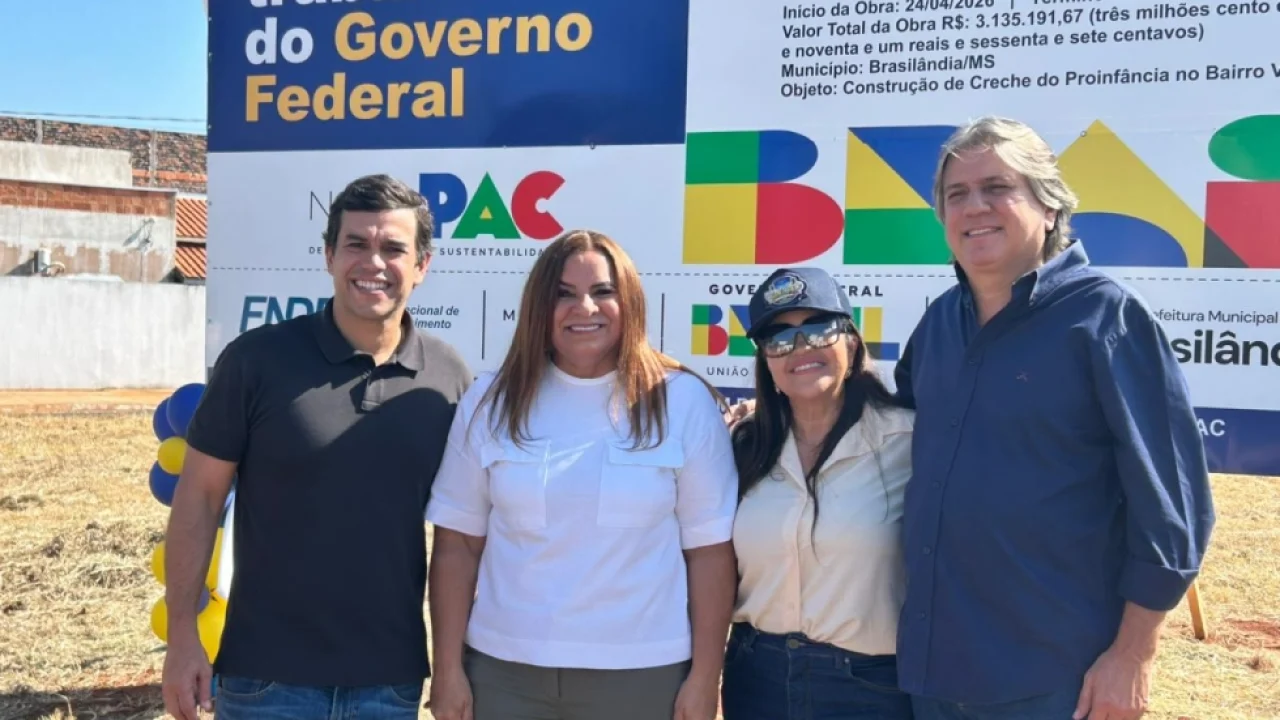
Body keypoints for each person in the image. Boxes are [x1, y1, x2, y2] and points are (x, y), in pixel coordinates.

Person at [892, 116, 1216, 720]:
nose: (974, 207)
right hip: (933, 669)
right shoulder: (938, 323)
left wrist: (1133, 654)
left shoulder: (1105, 318)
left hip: (1054, 677)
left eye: (997, 187)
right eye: (957, 194)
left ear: (1048, 206)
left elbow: (1172, 508)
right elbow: (890, 429)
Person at [160, 174, 473, 719]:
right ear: (329, 255)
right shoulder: (257, 361)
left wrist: (450, 667)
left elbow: (458, 541)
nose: (373, 262)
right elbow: (200, 499)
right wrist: (182, 636)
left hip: (390, 685)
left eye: (393, 248)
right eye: (356, 244)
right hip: (265, 683)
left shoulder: (448, 377)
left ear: (422, 265)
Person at [425, 229, 739, 720]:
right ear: (538, 306)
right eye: (564, 294)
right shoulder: (490, 400)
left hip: (644, 675)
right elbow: (457, 546)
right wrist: (447, 670)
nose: (584, 308)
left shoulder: (681, 401)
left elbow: (710, 554)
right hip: (504, 674)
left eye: (603, 291)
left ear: (630, 301)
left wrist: (705, 676)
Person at [720, 267, 917, 720]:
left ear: (851, 342)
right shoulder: (744, 447)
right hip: (755, 679)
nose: (801, 347)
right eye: (779, 338)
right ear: (766, 363)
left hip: (870, 688)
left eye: (818, 328)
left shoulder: (910, 442)